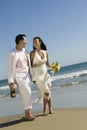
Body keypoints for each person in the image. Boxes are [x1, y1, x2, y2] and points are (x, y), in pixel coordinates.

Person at [8, 34, 35, 121]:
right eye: (25, 40)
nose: (26, 42)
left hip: (27, 76)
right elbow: (10, 68)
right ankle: (27, 114)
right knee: (28, 92)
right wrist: (11, 81)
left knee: (26, 94)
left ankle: (27, 113)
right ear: (20, 41)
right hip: (19, 76)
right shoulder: (12, 53)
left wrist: (33, 77)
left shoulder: (25, 51)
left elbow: (29, 65)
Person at [30, 36, 54, 115]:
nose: (35, 43)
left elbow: (47, 64)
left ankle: (50, 109)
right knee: (46, 91)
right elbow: (31, 65)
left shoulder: (45, 52)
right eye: (34, 42)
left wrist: (54, 67)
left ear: (40, 42)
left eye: (36, 41)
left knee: (48, 92)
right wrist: (37, 64)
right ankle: (44, 110)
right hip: (39, 76)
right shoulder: (32, 53)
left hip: (46, 75)